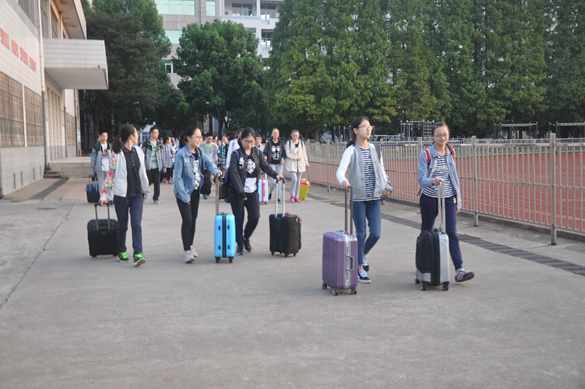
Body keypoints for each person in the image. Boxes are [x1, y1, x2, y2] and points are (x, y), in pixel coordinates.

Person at [417, 122, 475, 283]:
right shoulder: (426, 154)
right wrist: (432, 181)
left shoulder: (451, 152)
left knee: (451, 232)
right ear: (433, 137)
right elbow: (421, 180)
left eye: (445, 134)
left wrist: (458, 200)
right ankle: (424, 267)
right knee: (426, 232)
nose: (442, 138)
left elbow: (453, 178)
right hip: (429, 197)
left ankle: (459, 269)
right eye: (439, 135)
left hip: (448, 197)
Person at [336, 117, 389, 284]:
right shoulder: (351, 150)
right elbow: (340, 171)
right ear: (355, 130)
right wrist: (344, 182)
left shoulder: (375, 149)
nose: (368, 129)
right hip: (358, 198)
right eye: (364, 126)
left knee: (376, 233)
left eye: (369, 126)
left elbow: (381, 169)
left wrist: (386, 183)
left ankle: (363, 253)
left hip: (374, 197)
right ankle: (359, 268)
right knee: (360, 233)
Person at [100, 124, 150, 267]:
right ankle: (121, 250)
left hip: (137, 194)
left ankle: (138, 254)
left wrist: (146, 189)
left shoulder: (139, 151)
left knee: (136, 224)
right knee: (123, 225)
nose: (138, 135)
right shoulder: (116, 154)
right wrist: (104, 196)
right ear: (131, 136)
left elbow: (142, 172)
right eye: (136, 133)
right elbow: (110, 176)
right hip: (121, 195)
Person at [229, 127, 284, 256]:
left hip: (253, 191)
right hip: (237, 192)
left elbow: (264, 166)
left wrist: (276, 175)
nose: (249, 144)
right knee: (239, 219)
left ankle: (245, 237)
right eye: (246, 141)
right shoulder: (235, 154)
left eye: (252, 142)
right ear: (241, 140)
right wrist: (241, 192)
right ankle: (240, 245)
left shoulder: (257, 153)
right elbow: (234, 173)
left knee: (255, 217)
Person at [174, 126, 222, 263]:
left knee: (193, 219)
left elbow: (209, 163)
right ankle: (187, 250)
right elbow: (177, 178)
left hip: (195, 191)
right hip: (183, 193)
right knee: (187, 220)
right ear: (189, 138)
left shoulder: (200, 152)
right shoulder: (181, 154)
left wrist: (216, 171)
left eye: (200, 137)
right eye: (197, 137)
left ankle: (190, 245)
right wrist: (184, 196)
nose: (199, 140)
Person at [141, 126, 166, 204]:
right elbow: (142, 154)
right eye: (155, 132)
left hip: (157, 167)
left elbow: (163, 155)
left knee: (157, 184)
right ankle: (143, 196)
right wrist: (143, 166)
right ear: (151, 134)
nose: (157, 134)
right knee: (146, 183)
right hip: (148, 167)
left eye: (157, 132)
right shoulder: (146, 143)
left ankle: (156, 198)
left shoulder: (159, 144)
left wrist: (164, 166)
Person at [284, 129, 309, 203]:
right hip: (292, 164)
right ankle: (292, 195)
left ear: (299, 135)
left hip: (300, 164)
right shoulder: (288, 143)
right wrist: (295, 157)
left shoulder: (301, 143)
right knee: (294, 179)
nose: (295, 137)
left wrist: (306, 163)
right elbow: (287, 154)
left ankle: (296, 196)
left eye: (296, 136)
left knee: (298, 181)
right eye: (294, 136)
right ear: (291, 135)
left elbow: (304, 153)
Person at [263, 128, 285, 202]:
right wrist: (265, 156)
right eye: (274, 133)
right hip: (271, 163)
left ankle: (278, 197)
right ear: (271, 134)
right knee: (273, 181)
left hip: (279, 164)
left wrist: (282, 158)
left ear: (278, 134)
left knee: (279, 180)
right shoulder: (269, 143)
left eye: (277, 133)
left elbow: (284, 153)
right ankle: (270, 191)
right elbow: (265, 152)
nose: (276, 134)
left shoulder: (281, 143)